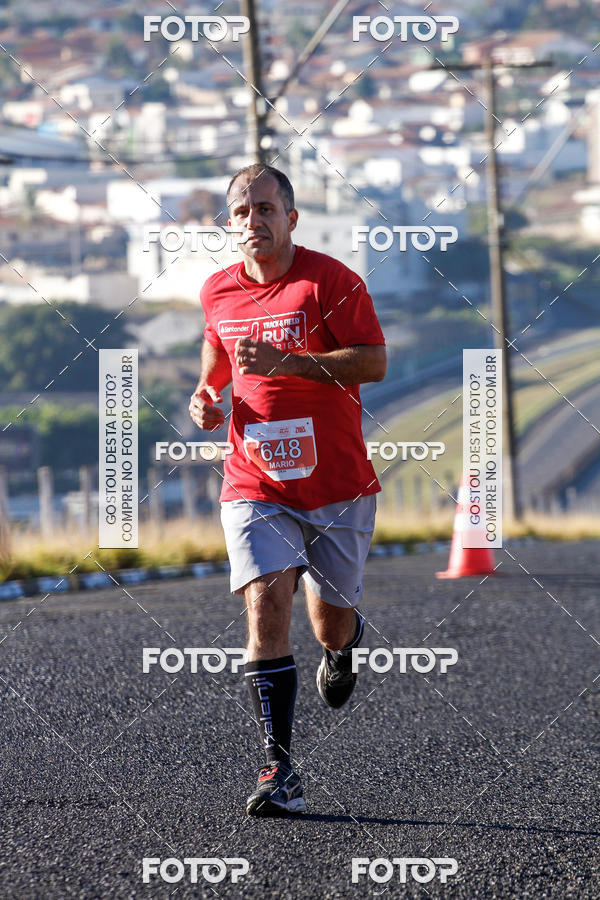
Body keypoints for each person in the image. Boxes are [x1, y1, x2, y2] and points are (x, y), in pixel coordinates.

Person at [189, 163, 387, 816]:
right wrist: (208, 395)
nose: (255, 221)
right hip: (255, 481)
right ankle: (280, 769)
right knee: (265, 604)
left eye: (266, 209)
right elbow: (217, 352)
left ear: (291, 218)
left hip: (336, 485)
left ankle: (343, 649)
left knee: (330, 622)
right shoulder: (217, 290)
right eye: (243, 212)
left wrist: (290, 363)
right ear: (230, 224)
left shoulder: (331, 282)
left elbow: (372, 360)